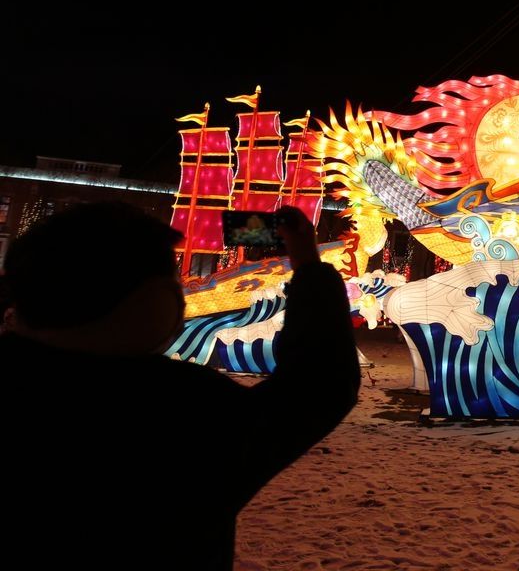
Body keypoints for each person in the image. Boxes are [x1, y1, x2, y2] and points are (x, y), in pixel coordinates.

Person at [0, 203, 360, 570]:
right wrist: (307, 264)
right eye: (172, 280)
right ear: (154, 302)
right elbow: (319, 386)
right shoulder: (185, 408)